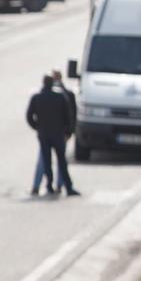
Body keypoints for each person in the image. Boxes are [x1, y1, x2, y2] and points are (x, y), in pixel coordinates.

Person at [25, 73, 77, 197]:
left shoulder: (37, 97)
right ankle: (67, 187)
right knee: (62, 162)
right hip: (58, 135)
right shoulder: (60, 97)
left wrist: (37, 127)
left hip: (44, 135)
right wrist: (68, 131)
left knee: (47, 161)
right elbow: (68, 116)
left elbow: (29, 116)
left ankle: (49, 185)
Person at [50, 69, 80, 197]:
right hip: (54, 134)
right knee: (51, 161)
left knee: (58, 161)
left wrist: (70, 131)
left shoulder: (67, 94)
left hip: (59, 134)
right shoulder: (47, 94)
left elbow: (72, 114)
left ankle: (58, 185)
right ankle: (46, 185)